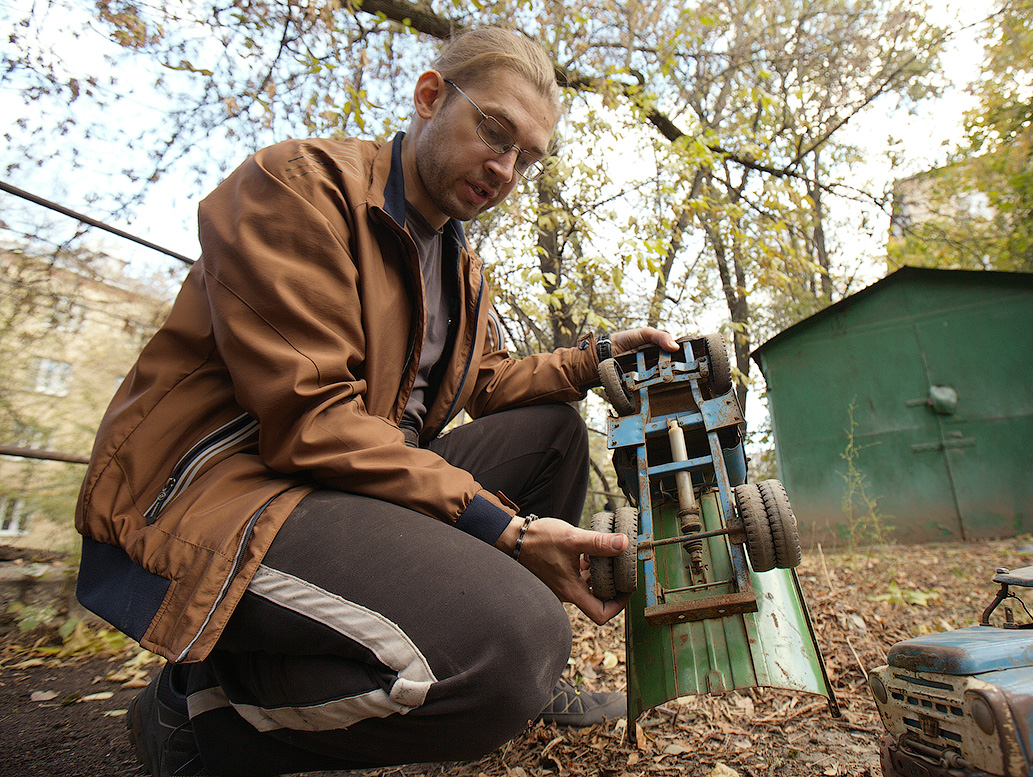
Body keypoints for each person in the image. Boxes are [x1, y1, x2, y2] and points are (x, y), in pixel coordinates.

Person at [74, 26, 677, 777]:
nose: (506, 168)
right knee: (510, 647)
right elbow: (312, 422)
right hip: (230, 493)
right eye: (495, 131)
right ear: (429, 97)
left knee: (552, 428)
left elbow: (486, 382)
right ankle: (200, 715)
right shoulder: (299, 186)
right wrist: (507, 529)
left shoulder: (460, 267)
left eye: (528, 156)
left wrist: (594, 358)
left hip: (346, 482)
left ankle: (519, 679)